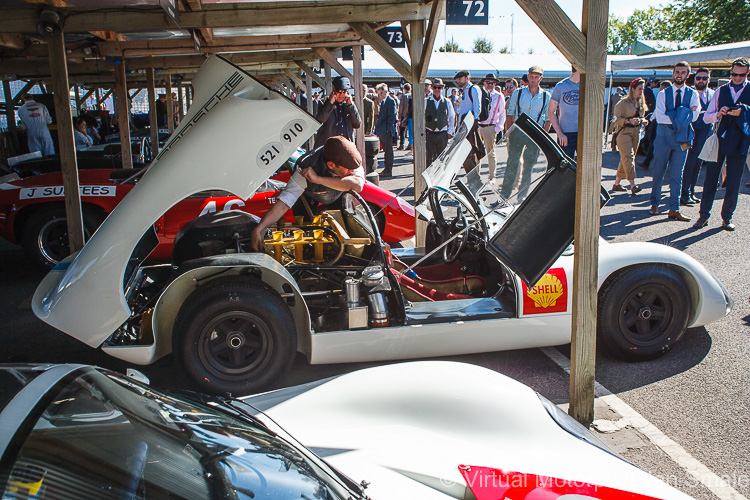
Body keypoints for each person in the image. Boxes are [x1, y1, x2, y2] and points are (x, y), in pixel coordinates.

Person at [250, 136, 365, 251]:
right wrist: (259, 229)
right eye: (348, 170)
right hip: (307, 198)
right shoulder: (305, 167)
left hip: (336, 197)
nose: (352, 171)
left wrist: (317, 179)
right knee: (309, 242)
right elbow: (284, 202)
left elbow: (357, 185)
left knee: (341, 239)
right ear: (331, 165)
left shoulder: (350, 159)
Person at [693, 58, 750, 231]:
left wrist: (744, 111)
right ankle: (703, 216)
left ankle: (727, 218)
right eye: (734, 74)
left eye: (741, 74)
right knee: (710, 179)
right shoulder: (721, 91)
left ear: (747, 73)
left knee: (733, 181)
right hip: (720, 138)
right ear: (730, 72)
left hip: (740, 141)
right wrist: (718, 113)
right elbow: (706, 116)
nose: (737, 77)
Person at [649, 61, 700, 221]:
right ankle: (655, 203)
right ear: (673, 73)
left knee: (677, 175)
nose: (679, 75)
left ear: (688, 75)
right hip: (663, 138)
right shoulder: (664, 93)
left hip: (682, 140)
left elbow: (696, 115)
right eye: (677, 72)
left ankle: (674, 208)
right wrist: (683, 114)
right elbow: (661, 117)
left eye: (683, 72)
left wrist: (674, 114)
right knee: (658, 172)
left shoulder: (693, 94)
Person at [503, 65, 551, 201]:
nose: (533, 79)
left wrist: (544, 136)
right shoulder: (518, 93)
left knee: (528, 166)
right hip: (518, 132)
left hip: (536, 134)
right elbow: (510, 113)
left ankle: (522, 196)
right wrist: (509, 130)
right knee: (512, 163)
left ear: (540, 78)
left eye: (536, 77)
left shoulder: (546, 96)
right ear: (528, 77)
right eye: (531, 77)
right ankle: (504, 195)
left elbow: (548, 119)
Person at [680, 68, 714, 205]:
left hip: (705, 134)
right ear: (694, 79)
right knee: (689, 164)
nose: (701, 81)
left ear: (709, 79)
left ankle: (691, 191)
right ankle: (684, 193)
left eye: (704, 78)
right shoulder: (689, 93)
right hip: (691, 132)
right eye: (698, 78)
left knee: (698, 164)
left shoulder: (712, 93)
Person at [611, 78, 648, 194]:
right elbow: (615, 119)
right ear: (632, 89)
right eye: (639, 89)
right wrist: (628, 121)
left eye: (642, 89)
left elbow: (641, 116)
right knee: (628, 157)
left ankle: (616, 184)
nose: (641, 91)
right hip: (624, 132)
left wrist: (643, 121)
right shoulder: (622, 103)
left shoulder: (641, 102)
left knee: (625, 158)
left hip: (636, 132)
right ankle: (633, 185)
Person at [314, 76, 361, 149]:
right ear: (333, 89)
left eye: (344, 92)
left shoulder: (349, 104)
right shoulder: (324, 103)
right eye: (339, 91)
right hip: (329, 147)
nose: (341, 95)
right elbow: (320, 120)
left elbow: (357, 124)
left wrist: (351, 106)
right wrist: (330, 103)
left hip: (346, 147)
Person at [453, 69, 485, 173]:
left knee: (470, 154)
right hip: (464, 126)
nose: (458, 81)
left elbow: (477, 109)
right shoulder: (464, 92)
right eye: (457, 79)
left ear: (467, 78)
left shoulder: (473, 89)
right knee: (465, 155)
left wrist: (470, 125)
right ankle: (472, 179)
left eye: (460, 79)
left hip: (470, 126)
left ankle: (474, 180)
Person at [477, 73, 506, 180]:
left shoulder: (499, 96)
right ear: (484, 83)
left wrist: (497, 128)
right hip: (479, 126)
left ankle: (492, 176)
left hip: (490, 127)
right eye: (488, 82)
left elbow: (503, 113)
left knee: (490, 153)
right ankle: (476, 176)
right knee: (477, 153)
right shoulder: (479, 94)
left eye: (492, 83)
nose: (490, 85)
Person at [549, 66, 580, 159]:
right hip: (566, 134)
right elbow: (550, 111)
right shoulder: (561, 86)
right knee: (565, 168)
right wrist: (559, 133)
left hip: (583, 133)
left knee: (585, 168)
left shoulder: (588, 86)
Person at [424, 78, 456, 167]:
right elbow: (421, 117)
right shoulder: (426, 101)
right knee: (429, 157)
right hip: (430, 133)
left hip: (442, 134)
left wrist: (450, 131)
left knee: (442, 158)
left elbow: (452, 116)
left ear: (442, 88)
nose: (437, 90)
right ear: (431, 88)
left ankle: (441, 177)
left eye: (439, 87)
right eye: (435, 87)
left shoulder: (447, 102)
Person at [375, 83, 398, 177]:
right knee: (386, 151)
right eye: (379, 93)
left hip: (386, 130)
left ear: (386, 92)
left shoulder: (390, 101)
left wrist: (388, 129)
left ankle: (388, 170)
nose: (381, 95)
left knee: (388, 152)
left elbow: (392, 116)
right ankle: (386, 169)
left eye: (382, 93)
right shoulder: (384, 101)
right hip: (383, 130)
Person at [397, 83, 412, 151]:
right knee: (410, 131)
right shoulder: (411, 95)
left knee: (402, 130)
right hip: (410, 115)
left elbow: (401, 107)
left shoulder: (403, 96)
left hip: (404, 115)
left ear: (404, 89)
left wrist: (399, 117)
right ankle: (410, 144)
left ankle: (402, 144)